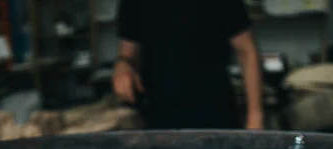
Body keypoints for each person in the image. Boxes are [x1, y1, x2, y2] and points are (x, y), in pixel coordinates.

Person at [113, 0, 264, 130]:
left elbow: (247, 52)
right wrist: (123, 65)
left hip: (213, 111)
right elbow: (128, 53)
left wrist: (255, 117)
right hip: (156, 115)